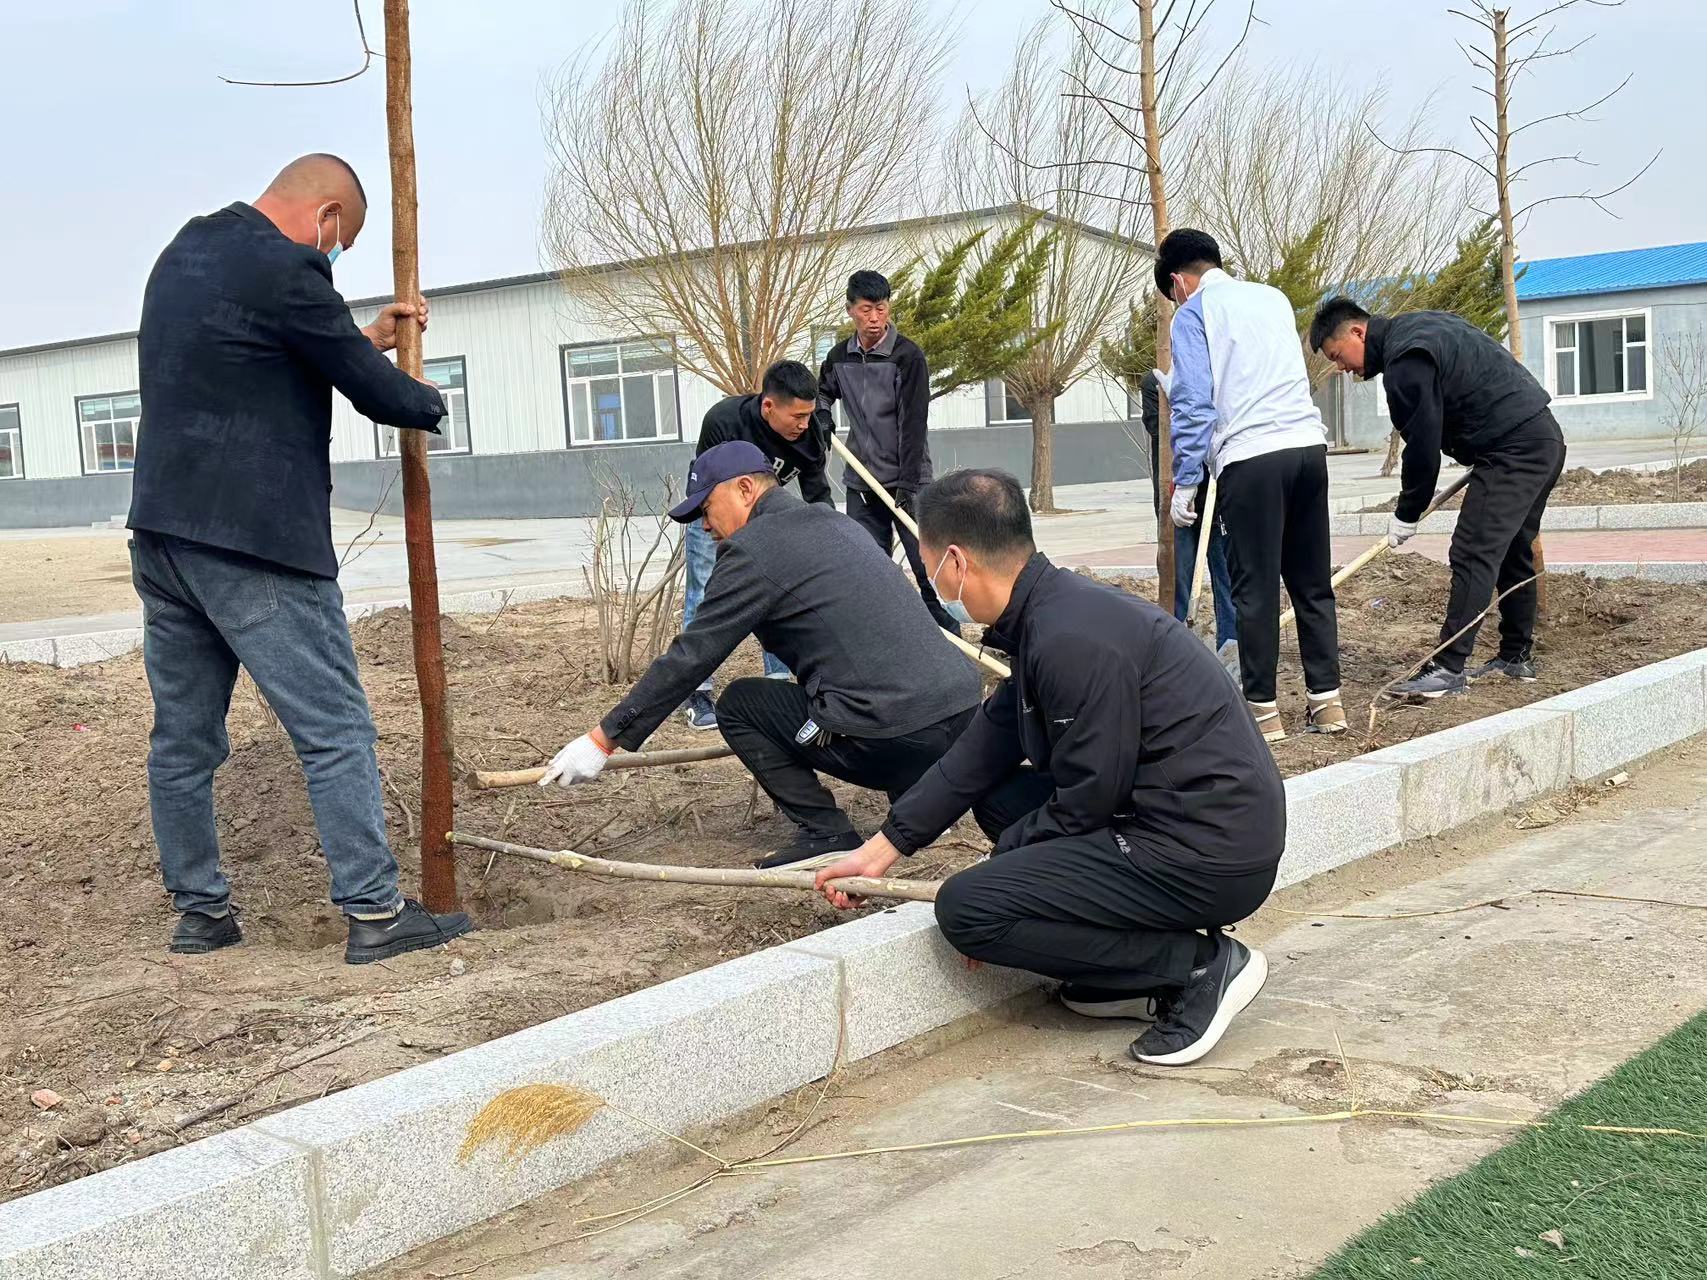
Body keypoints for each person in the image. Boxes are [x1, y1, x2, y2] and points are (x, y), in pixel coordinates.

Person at [127, 154, 473, 963]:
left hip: (164, 538)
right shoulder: (290, 269)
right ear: (326, 218)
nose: (335, 255)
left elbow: (256, 356)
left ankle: (201, 915)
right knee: (335, 730)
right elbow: (381, 396)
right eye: (341, 242)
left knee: (183, 741)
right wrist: (429, 397)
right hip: (256, 541)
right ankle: (376, 914)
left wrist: (363, 337)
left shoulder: (187, 249)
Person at [815, 470, 1283, 1067]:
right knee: (998, 796)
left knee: (968, 909)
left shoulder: (1069, 640)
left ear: (956, 562)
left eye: (928, 570)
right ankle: (1128, 972)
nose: (934, 585)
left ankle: (1197, 966)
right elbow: (983, 748)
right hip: (1175, 817)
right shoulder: (1052, 614)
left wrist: (1002, 877)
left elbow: (1089, 797)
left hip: (1207, 852)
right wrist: (883, 849)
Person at [539, 441, 983, 868]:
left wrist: (602, 740)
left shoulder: (753, 548)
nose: (705, 526)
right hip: (963, 720)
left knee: (740, 704)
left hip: (899, 736)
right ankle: (920, 798)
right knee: (859, 677)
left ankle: (826, 832)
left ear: (745, 488)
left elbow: (693, 655)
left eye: (706, 509)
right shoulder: (835, 522)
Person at [1310, 297, 1568, 696]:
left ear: (1358, 332)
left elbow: (1422, 448)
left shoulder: (1405, 360)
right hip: (1541, 437)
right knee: (1512, 549)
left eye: (1337, 356)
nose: (1342, 368)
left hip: (1514, 449)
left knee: (1472, 550)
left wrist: (1407, 512)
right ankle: (1516, 658)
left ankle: (1448, 668)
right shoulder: (1421, 326)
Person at [1159, 228, 1346, 742]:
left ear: (1178, 282)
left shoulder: (1192, 314)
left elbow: (1193, 401)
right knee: (1312, 584)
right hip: (1308, 449)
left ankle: (1263, 713)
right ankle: (1327, 704)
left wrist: (1187, 480)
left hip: (1251, 458)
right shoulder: (1272, 298)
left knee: (1255, 590)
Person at [678, 360, 834, 731]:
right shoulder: (725, 420)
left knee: (777, 593)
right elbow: (706, 488)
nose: (804, 424)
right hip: (715, 513)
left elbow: (818, 496)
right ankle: (697, 692)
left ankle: (778, 683)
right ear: (768, 406)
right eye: (797, 416)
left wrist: (834, 540)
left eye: (809, 414)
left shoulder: (810, 434)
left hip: (766, 515)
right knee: (703, 592)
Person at [816, 270, 958, 631]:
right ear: (850, 310)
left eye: (881, 309)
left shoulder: (907, 356)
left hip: (908, 483)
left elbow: (914, 424)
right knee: (869, 570)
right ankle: (887, 642)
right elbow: (822, 393)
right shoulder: (839, 357)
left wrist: (907, 484)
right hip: (862, 484)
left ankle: (949, 640)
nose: (875, 318)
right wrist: (822, 416)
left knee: (929, 569)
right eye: (866, 310)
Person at [1142, 368, 1238, 653]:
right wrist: (1181, 403)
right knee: (1178, 583)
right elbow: (1163, 432)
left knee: (1228, 582)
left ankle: (1231, 651)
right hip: (1177, 505)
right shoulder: (1154, 385)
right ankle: (1181, 654)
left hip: (1217, 500)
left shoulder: (1219, 378)